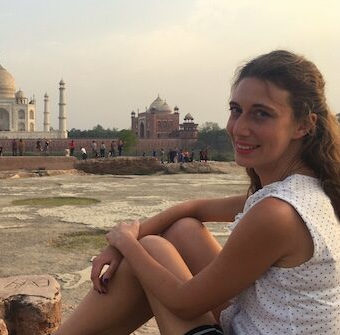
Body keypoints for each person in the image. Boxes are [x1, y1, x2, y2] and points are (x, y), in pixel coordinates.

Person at [55, 50, 340, 334]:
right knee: (182, 230)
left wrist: (126, 242)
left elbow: (183, 304)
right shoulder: (308, 189)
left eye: (261, 114)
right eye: (236, 110)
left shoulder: (278, 214)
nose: (239, 128)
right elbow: (192, 208)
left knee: (150, 251)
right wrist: (116, 246)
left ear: (304, 124)